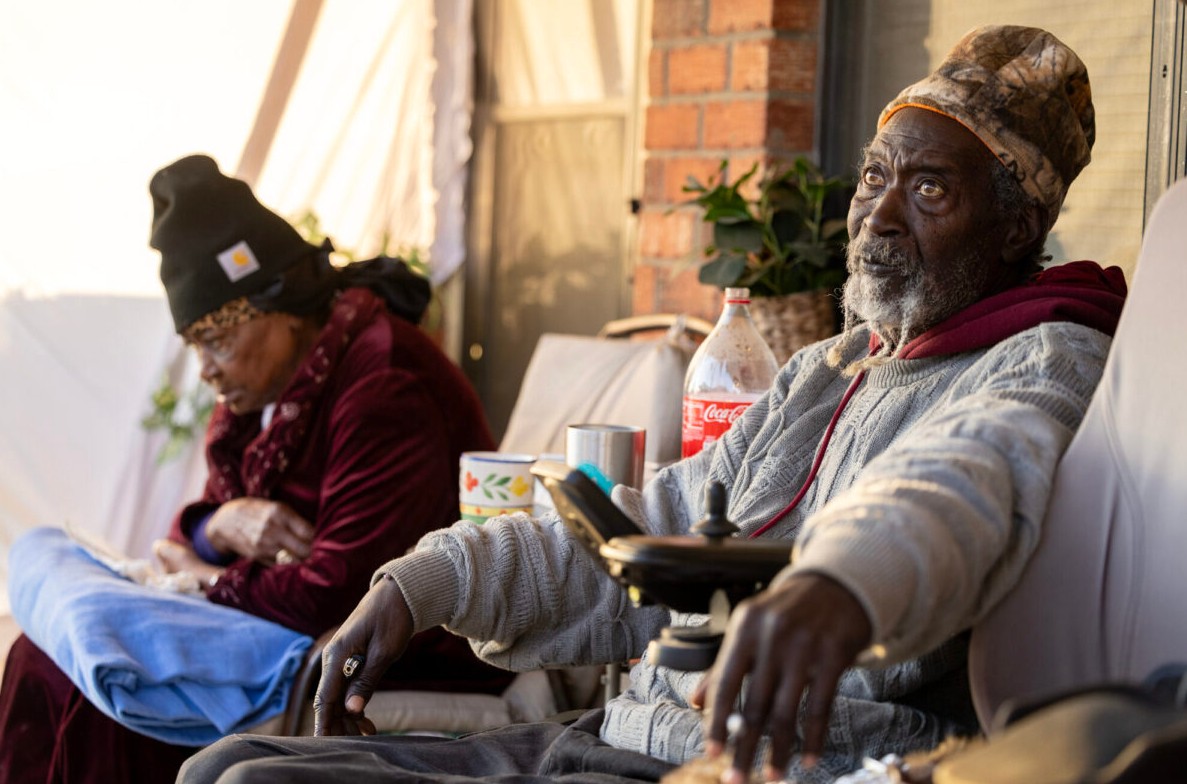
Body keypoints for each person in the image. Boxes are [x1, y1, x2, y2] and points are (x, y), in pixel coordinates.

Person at [178, 25, 1127, 784]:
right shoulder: (829, 369)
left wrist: (836, 583)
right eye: (876, 176)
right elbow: (657, 517)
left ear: (1015, 224)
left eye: (929, 189)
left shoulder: (1047, 357)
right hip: (625, 731)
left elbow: (962, 480)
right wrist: (419, 585)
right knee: (221, 765)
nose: (879, 215)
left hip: (764, 761)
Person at [0, 155, 512, 784]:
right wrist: (217, 527)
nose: (207, 370)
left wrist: (207, 579)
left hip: (386, 649)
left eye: (217, 340)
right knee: (40, 655)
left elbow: (341, 591)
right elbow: (191, 532)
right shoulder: (263, 395)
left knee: (107, 701)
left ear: (283, 308)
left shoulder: (385, 381)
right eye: (196, 346)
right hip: (283, 624)